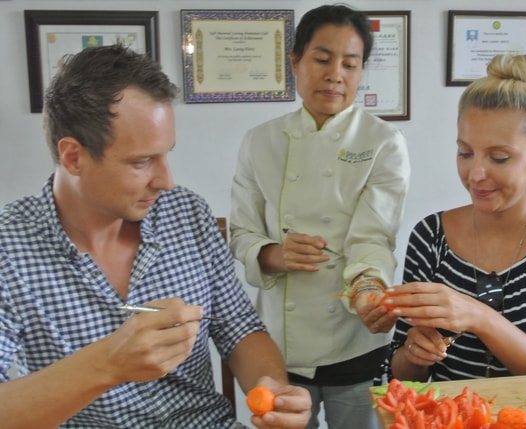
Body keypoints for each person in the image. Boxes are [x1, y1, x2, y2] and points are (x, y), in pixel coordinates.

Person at [0, 43, 311, 429]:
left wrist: (273, 390)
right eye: (141, 161)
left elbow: (238, 328)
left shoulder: (186, 214)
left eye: (166, 155)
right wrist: (107, 363)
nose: (166, 181)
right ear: (73, 157)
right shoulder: (8, 247)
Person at [377, 54, 526, 384]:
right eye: (465, 153)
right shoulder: (430, 235)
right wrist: (414, 355)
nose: (475, 174)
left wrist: (480, 317)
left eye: (499, 157)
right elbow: (399, 374)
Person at [229, 4, 410, 429]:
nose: (336, 75)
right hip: (279, 344)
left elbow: (374, 236)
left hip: (355, 337)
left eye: (350, 63)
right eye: (322, 59)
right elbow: (241, 232)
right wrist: (274, 255)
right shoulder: (260, 142)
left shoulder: (383, 142)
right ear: (295, 61)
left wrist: (369, 289)